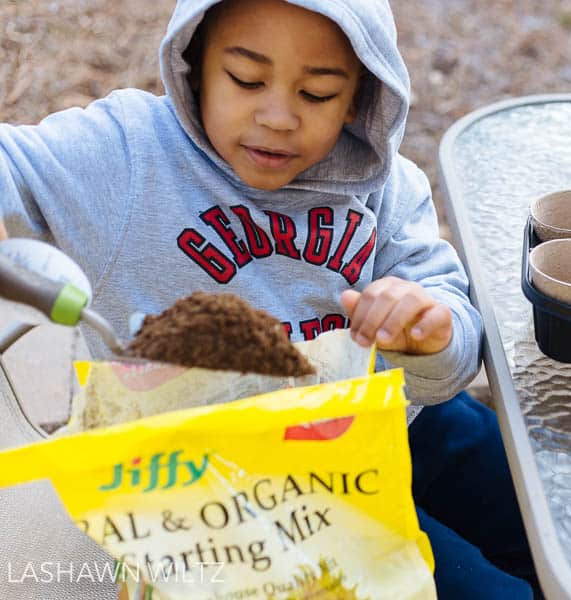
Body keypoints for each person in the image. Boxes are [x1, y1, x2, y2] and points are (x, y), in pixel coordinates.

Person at [0, 0, 540, 597]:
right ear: (194, 62)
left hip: (388, 417)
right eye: (246, 79)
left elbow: (448, 365)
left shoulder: (386, 191)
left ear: (360, 97)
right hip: (234, 485)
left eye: (317, 94)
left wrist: (430, 333)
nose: (279, 116)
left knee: (547, 512)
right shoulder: (124, 157)